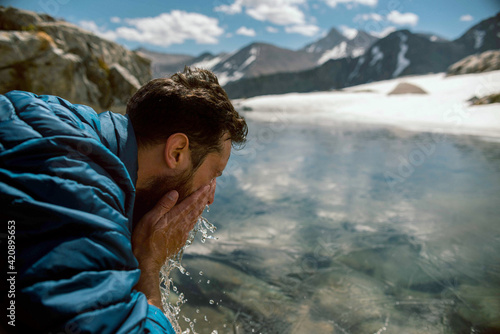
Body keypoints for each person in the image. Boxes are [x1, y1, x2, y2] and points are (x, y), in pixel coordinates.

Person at [0, 67, 247, 333]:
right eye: (213, 175)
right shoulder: (80, 190)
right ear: (177, 152)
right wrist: (148, 268)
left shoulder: (60, 119)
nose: (209, 197)